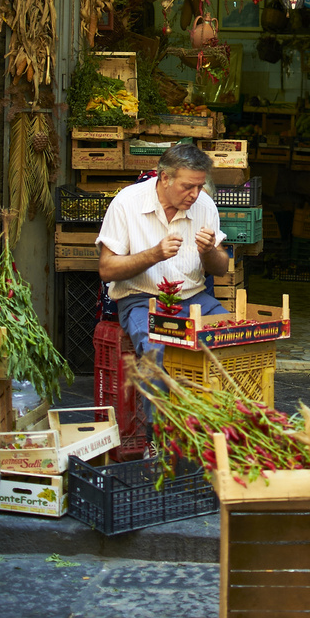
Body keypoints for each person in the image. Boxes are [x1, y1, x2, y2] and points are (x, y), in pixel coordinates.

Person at [96, 142, 230, 445]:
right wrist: (153, 254)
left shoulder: (204, 205)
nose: (194, 195)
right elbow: (106, 269)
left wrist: (209, 251)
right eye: (187, 187)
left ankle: (218, 433)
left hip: (195, 299)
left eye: (199, 186)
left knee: (232, 338)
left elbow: (221, 268)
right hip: (143, 300)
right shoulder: (127, 203)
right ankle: (161, 440)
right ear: (164, 178)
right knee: (157, 352)